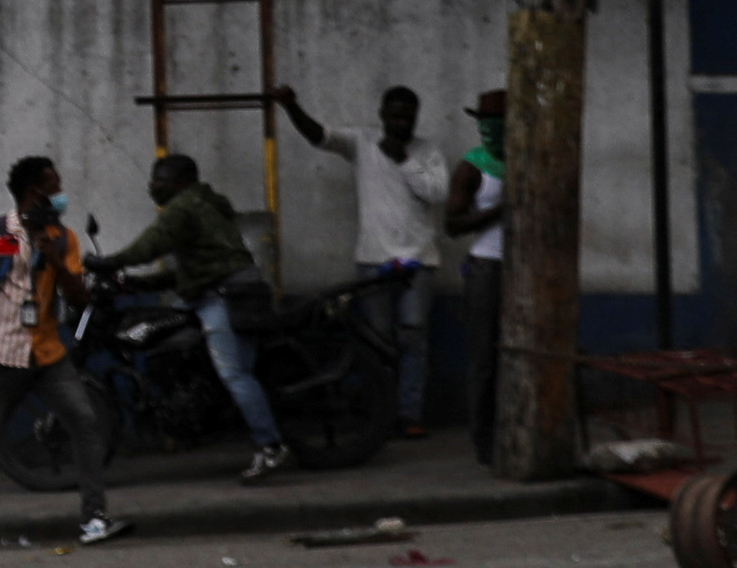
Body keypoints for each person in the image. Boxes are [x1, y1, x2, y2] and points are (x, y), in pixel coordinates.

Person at [280, 83, 455, 437]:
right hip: (374, 259)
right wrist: (291, 107)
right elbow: (320, 136)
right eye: (394, 117)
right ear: (382, 115)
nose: (401, 123)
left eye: (408, 117)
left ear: (416, 117)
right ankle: (380, 413)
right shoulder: (362, 142)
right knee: (377, 341)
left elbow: (437, 193)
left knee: (412, 336)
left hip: (418, 261)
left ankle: (408, 414)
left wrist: (403, 158)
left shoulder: (427, 151)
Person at [0, 157, 110, 549]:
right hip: (0, 351)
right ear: (32, 193)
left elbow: (78, 296)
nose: (60, 195)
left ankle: (94, 516)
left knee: (84, 421)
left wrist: (53, 256)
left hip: (47, 352)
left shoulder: (62, 238)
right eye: (53, 187)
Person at [103, 149, 289, 480]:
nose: (152, 185)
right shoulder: (202, 205)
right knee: (166, 331)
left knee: (235, 373)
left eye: (159, 179)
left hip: (225, 297)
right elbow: (191, 270)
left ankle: (271, 446)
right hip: (210, 293)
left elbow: (150, 245)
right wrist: (136, 283)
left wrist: (110, 262)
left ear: (180, 182)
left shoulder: (184, 207)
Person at [450, 91, 513, 465]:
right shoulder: (472, 167)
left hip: (526, 271)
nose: (491, 131)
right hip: (487, 268)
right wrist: (501, 210)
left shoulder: (529, 160)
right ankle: (484, 439)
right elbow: (452, 224)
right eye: (485, 124)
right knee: (484, 360)